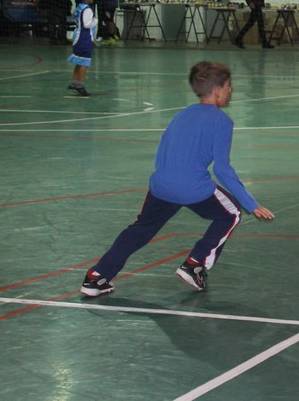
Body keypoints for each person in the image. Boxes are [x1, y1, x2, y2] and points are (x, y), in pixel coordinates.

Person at [80, 61, 275, 297]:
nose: (231, 90)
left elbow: (163, 151)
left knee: (141, 229)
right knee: (232, 213)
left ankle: (97, 277)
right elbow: (223, 170)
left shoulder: (181, 114)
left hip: (161, 185)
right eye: (228, 86)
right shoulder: (222, 121)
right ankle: (195, 265)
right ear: (217, 91)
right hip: (192, 188)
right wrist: (251, 204)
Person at [68, 0, 97, 97]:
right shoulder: (87, 9)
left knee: (79, 62)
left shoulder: (79, 7)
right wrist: (95, 21)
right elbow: (87, 24)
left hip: (77, 36)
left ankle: (74, 83)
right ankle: (80, 85)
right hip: (83, 38)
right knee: (84, 62)